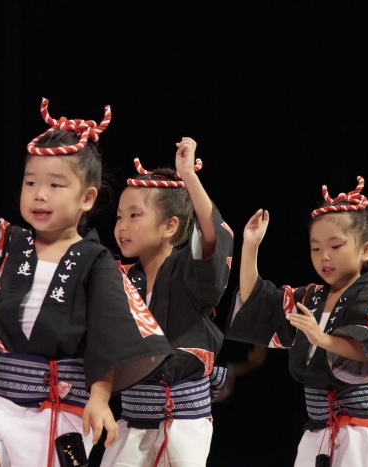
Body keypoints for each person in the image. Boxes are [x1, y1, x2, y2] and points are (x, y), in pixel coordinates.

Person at [0, 90, 174, 467]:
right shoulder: (9, 243)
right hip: (2, 400)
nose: (40, 195)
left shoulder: (96, 260)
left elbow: (110, 332)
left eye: (56, 185)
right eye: (30, 183)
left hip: (61, 409)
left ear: (87, 198)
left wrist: (100, 398)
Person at [225, 176, 368, 467]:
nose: (324, 257)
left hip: (360, 431)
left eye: (335, 246)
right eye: (315, 248)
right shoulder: (310, 297)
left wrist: (322, 339)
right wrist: (250, 247)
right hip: (317, 428)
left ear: (366, 250)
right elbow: (257, 300)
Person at [99, 139, 235, 467]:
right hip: (132, 421)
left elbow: (211, 237)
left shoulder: (188, 271)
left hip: (185, 423)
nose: (122, 226)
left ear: (169, 226)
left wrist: (189, 176)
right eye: (119, 217)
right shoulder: (116, 278)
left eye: (135, 215)